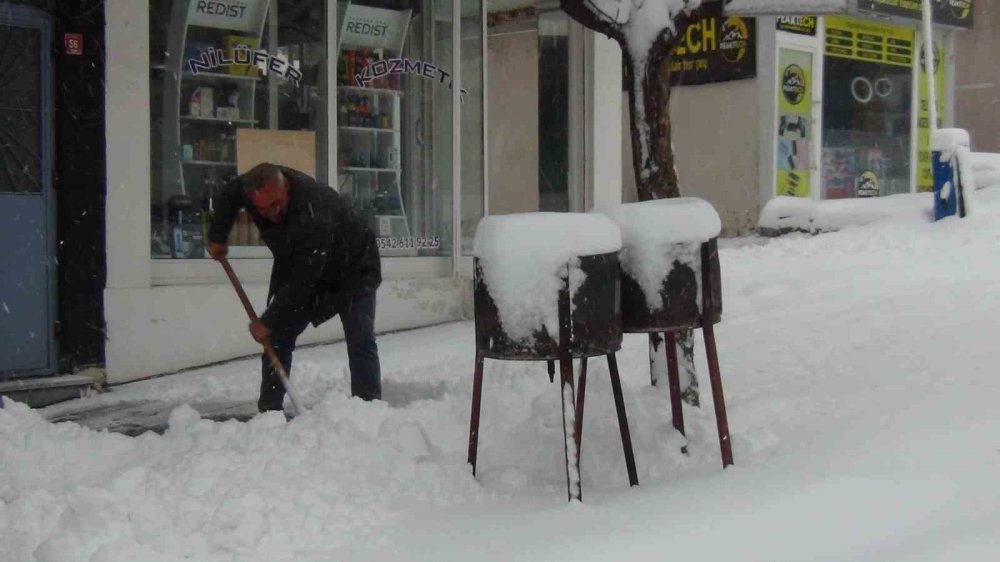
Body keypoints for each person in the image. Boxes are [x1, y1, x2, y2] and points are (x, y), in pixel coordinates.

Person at [207, 163, 382, 411]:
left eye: (276, 204)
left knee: (360, 338)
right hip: (302, 261)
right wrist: (217, 236)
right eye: (262, 209)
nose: (270, 214)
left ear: (286, 187)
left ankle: (369, 410)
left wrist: (267, 320)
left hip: (354, 268)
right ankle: (269, 413)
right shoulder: (250, 188)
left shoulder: (313, 212)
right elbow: (230, 196)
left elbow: (302, 283)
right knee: (277, 338)